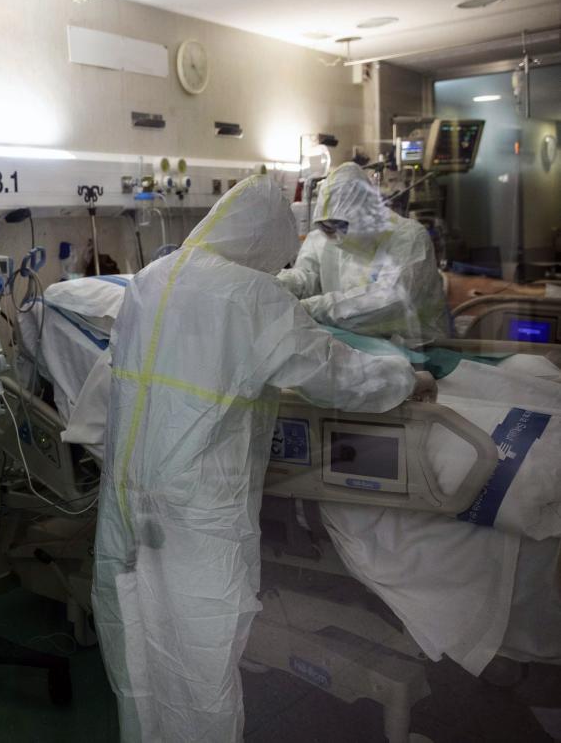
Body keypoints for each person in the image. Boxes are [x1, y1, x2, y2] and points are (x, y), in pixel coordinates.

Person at [92, 175, 435, 742]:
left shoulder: (151, 278)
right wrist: (406, 375)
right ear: (267, 240)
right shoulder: (252, 298)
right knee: (203, 651)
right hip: (198, 506)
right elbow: (338, 377)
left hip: (126, 498)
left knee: (133, 634)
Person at [278, 162, 449, 345]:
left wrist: (312, 308)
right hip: (354, 345)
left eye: (341, 224)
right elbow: (306, 276)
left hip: (417, 348)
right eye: (326, 226)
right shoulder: (320, 238)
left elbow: (391, 299)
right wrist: (278, 285)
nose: (333, 234)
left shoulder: (409, 238)